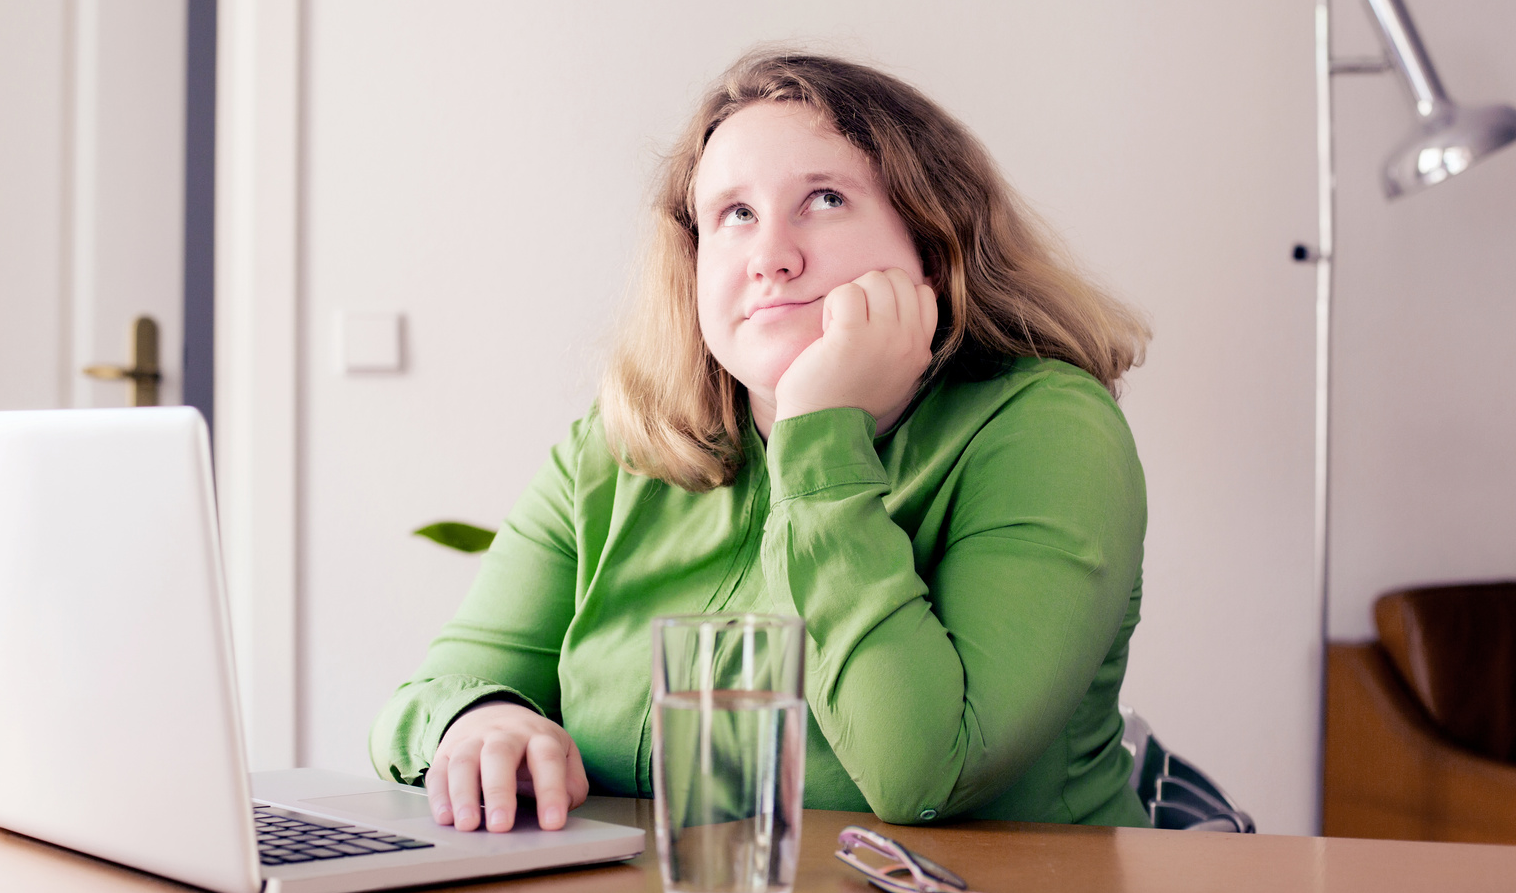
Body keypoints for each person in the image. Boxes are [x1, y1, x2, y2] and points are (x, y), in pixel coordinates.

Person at [370, 50, 1151, 834]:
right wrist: (479, 720)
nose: (772, 256)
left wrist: (820, 441)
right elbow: (428, 698)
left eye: (824, 198)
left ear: (932, 240)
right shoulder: (616, 451)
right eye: (735, 214)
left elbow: (925, 769)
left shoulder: (1049, 429)